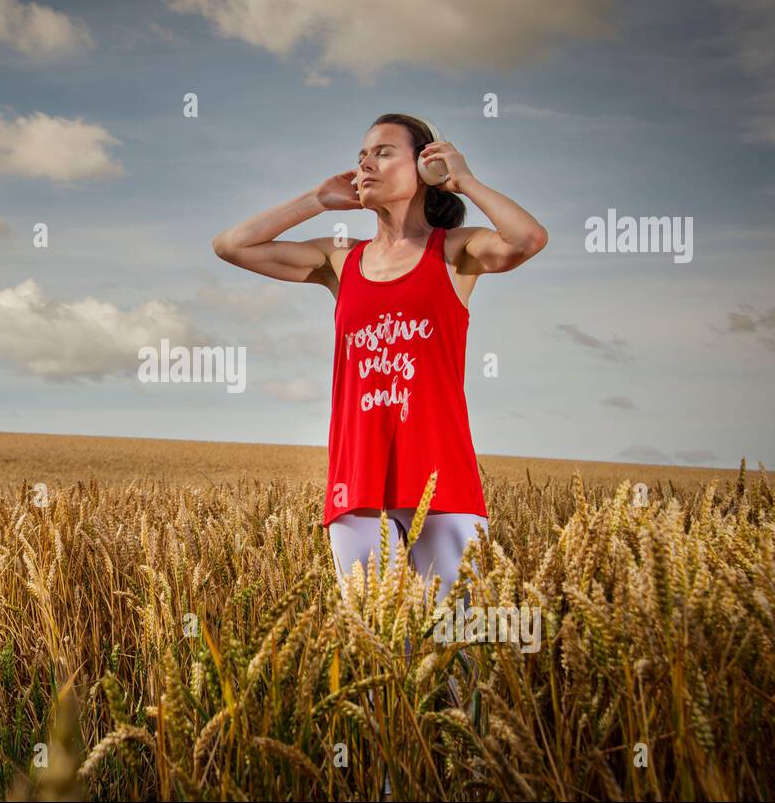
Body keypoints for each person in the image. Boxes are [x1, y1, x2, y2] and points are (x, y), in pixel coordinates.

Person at [212, 113, 547, 608]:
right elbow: (231, 246)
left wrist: (466, 181)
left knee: (457, 656)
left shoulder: (454, 252)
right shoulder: (341, 259)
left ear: (426, 166)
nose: (366, 162)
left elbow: (527, 239)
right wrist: (316, 201)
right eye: (361, 155)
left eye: (384, 151)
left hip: (444, 479)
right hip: (358, 481)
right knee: (377, 657)